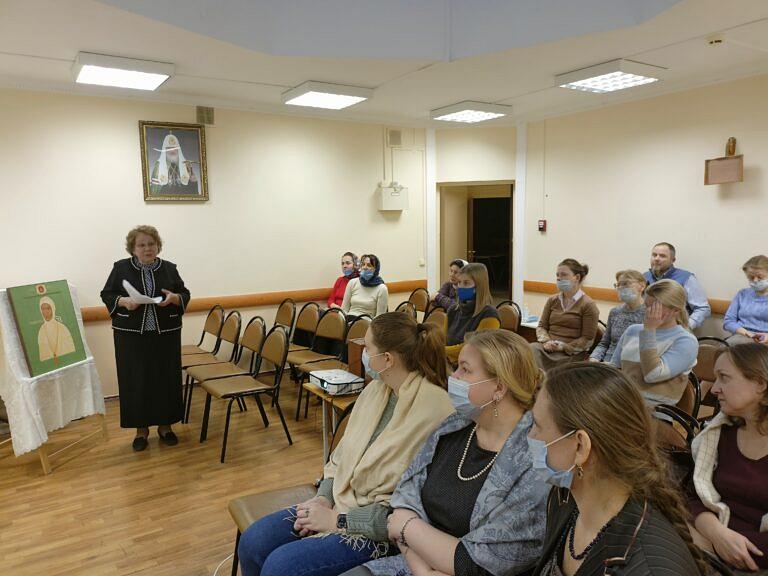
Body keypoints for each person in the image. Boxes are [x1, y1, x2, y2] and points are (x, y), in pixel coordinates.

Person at [237, 313, 455, 576]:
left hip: (381, 529)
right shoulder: (376, 390)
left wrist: (337, 520)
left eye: (368, 348)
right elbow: (340, 460)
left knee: (281, 567)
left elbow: (407, 508)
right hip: (340, 503)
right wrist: (323, 499)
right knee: (253, 542)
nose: (364, 353)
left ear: (387, 359)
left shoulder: (435, 410)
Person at [347, 330, 548, 576]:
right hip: (413, 562)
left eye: (465, 369)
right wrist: (422, 570)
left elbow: (485, 561)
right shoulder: (454, 426)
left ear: (498, 387)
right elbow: (405, 498)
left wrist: (407, 528)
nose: (454, 376)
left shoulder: (534, 460)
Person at [529, 362, 702, 575]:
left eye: (537, 426)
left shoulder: (649, 568)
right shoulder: (564, 498)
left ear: (580, 447)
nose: (531, 436)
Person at [100, 225, 190, 451]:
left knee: (165, 380)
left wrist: (175, 298)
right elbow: (107, 294)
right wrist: (124, 301)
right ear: (133, 248)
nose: (147, 248)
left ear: (158, 246)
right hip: (131, 337)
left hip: (165, 335)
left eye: (151, 244)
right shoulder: (121, 268)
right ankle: (141, 431)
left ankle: (165, 427)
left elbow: (184, 294)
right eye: (141, 245)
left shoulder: (169, 268)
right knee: (136, 381)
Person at [689, 343, 768, 573]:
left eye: (724, 378)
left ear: (761, 384)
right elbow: (692, 496)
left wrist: (713, 544)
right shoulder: (719, 434)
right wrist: (716, 534)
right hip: (707, 544)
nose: (714, 389)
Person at [610, 279, 698, 409]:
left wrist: (649, 331)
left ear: (675, 310)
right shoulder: (632, 331)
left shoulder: (686, 341)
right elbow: (615, 368)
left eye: (655, 307)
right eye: (647, 306)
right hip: (622, 401)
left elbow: (652, 375)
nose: (648, 312)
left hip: (655, 410)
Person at [532, 259, 599, 371]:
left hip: (570, 353)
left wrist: (563, 346)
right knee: (530, 350)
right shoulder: (552, 300)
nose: (559, 278)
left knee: (559, 369)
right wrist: (546, 341)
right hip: (548, 348)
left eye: (563, 275)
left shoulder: (588, 305)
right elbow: (542, 326)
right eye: (557, 275)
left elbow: (588, 339)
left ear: (577, 277)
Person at [644, 242, 711, 330]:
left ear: (673, 260)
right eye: (654, 255)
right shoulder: (644, 277)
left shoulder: (686, 278)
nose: (656, 258)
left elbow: (702, 308)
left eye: (662, 256)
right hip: (648, 327)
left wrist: (686, 327)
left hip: (675, 330)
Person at [445, 263, 500, 364]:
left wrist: (441, 351)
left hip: (474, 367)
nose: (461, 287)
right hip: (448, 364)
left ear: (478, 286)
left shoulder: (489, 314)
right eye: (459, 282)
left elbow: (474, 349)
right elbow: (443, 339)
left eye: (466, 283)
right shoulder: (453, 310)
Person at [589, 270, 646, 364]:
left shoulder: (651, 313)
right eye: (618, 285)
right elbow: (604, 343)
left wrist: (615, 365)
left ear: (642, 286)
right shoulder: (615, 312)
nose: (621, 288)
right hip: (607, 362)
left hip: (631, 365)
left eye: (626, 284)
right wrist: (594, 358)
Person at [724, 255, 768, 346]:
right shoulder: (742, 294)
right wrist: (747, 334)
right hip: (741, 337)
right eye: (751, 277)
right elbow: (728, 322)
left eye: (760, 277)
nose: (755, 280)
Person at [342, 254, 389, 318]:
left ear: (376, 269)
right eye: (363, 264)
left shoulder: (382, 288)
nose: (365, 267)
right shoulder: (352, 282)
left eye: (369, 265)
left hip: (366, 321)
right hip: (349, 319)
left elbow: (379, 317)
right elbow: (344, 309)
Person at [37, 296, 77, 363]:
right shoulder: (41, 331)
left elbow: (71, 350)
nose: (45, 312)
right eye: (43, 309)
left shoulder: (63, 328)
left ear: (53, 309)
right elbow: (42, 354)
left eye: (48, 308)